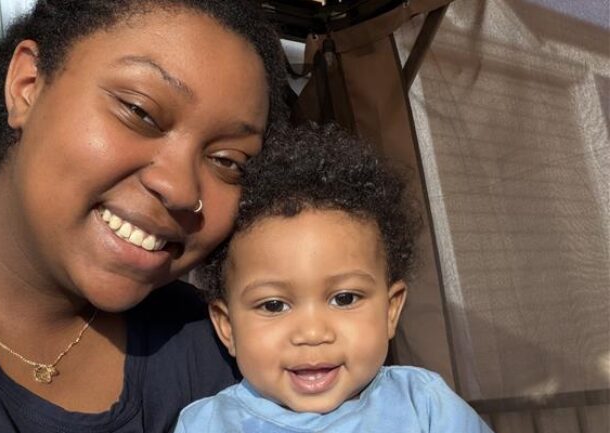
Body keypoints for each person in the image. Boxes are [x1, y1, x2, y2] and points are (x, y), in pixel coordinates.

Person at [0, 0, 287, 431]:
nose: (181, 190)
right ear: (28, 85)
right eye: (139, 112)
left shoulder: (224, 351)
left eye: (228, 161)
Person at [176, 125, 495, 432]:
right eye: (274, 305)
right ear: (227, 326)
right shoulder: (207, 425)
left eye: (344, 299)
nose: (313, 333)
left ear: (390, 310)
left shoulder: (425, 406)